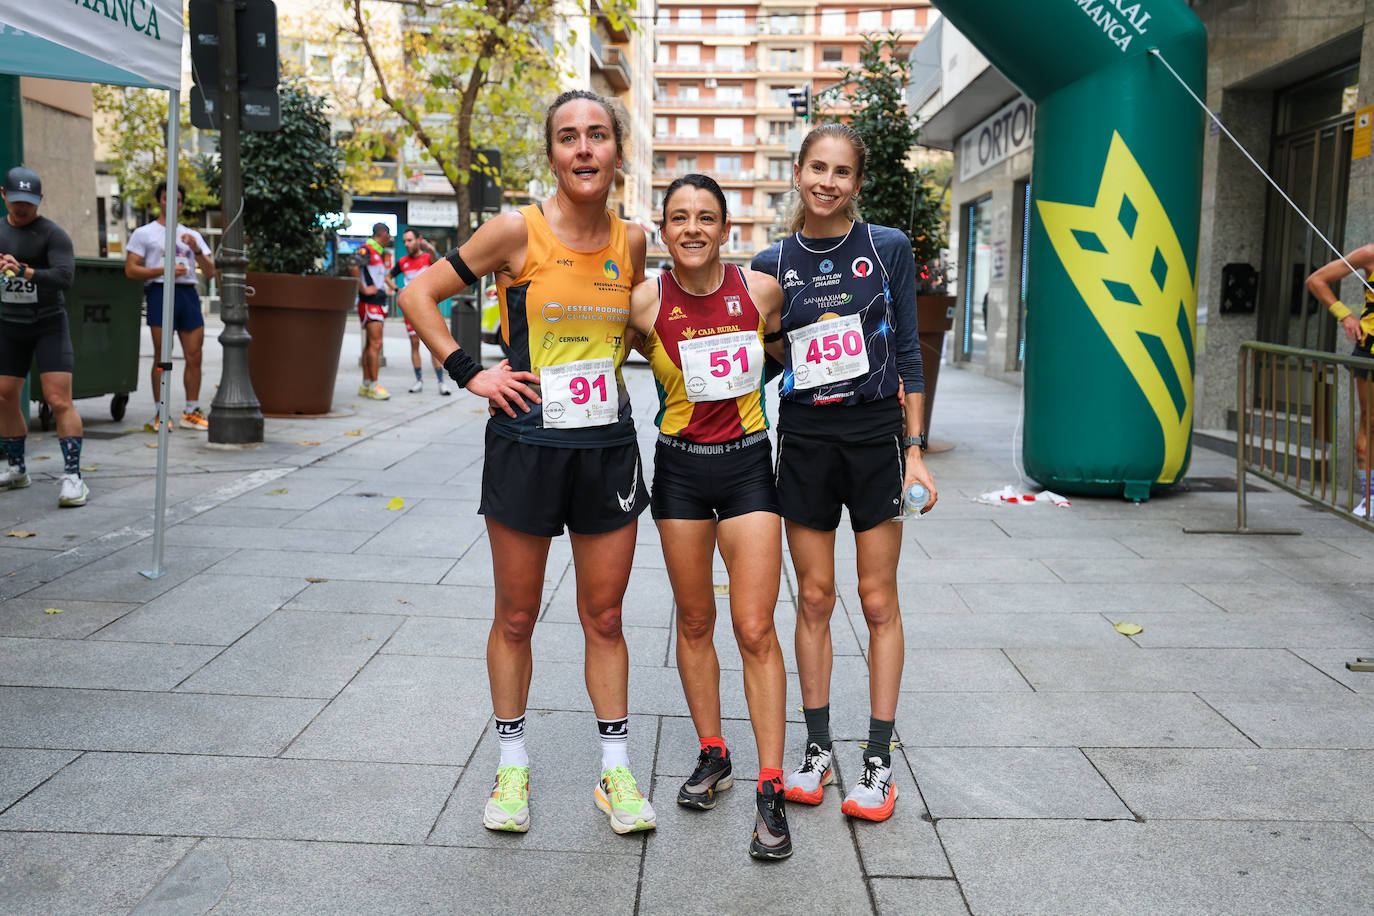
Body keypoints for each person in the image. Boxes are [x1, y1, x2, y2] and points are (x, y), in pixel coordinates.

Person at [400, 89, 654, 837]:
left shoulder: (632, 242)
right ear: (551, 153)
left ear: (616, 152)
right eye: (569, 137)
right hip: (527, 445)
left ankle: (615, 774)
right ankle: (512, 767)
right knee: (516, 615)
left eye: (598, 136)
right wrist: (468, 371)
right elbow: (419, 294)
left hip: (607, 448)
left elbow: (637, 336)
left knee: (604, 616)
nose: (584, 149)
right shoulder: (517, 229)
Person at [751, 123, 938, 823]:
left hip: (872, 438)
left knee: (877, 598)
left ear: (858, 183)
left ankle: (879, 761)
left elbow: (910, 355)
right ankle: (818, 748)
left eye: (842, 172)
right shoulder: (770, 263)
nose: (827, 182)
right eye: (816, 168)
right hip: (803, 437)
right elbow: (771, 359)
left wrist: (913, 448)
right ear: (797, 172)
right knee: (815, 598)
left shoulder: (885, 247)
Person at [627, 173, 791, 859]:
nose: (692, 228)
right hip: (680, 471)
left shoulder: (760, 291)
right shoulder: (642, 302)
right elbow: (631, 358)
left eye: (706, 217)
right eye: (678, 218)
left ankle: (772, 786)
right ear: (663, 231)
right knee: (694, 620)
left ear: (727, 229)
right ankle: (714, 752)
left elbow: (784, 355)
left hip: (751, 465)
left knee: (754, 627)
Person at [0, 166, 86, 506]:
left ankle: (73, 477)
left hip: (48, 323)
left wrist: (24, 270)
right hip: (9, 324)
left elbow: (64, 278)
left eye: (30, 203)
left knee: (58, 399)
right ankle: (18, 468)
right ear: (4, 195)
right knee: (4, 395)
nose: (23, 208)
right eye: (17, 201)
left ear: (40, 201)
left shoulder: (53, 234)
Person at [125, 181, 216, 432]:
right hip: (160, 291)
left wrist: (197, 250)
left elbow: (210, 272)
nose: (172, 203)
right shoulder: (145, 233)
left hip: (187, 293)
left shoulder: (192, 235)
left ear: (182, 203)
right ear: (159, 201)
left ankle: (191, 410)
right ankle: (161, 412)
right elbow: (131, 269)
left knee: (194, 354)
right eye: (166, 198)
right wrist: (163, 271)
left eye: (177, 199)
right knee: (161, 356)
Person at [1306, 247, 1374, 515]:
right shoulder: (1370, 253)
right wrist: (1344, 314)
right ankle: (1370, 498)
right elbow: (1315, 280)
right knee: (1371, 421)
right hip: (1371, 353)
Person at [386, 229, 451, 395]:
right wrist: (397, 290)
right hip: (410, 309)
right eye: (405, 241)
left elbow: (438, 266)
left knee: (433, 346)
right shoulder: (402, 262)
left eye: (410, 240)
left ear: (418, 240)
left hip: (428, 308)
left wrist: (430, 249)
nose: (407, 244)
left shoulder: (428, 257)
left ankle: (441, 383)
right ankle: (418, 381)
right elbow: (388, 277)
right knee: (414, 344)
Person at [353, 222, 393, 400]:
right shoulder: (366, 249)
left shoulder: (377, 252)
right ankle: (374, 384)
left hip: (376, 301)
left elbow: (379, 276)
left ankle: (366, 384)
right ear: (384, 234)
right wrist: (362, 288)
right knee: (376, 344)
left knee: (371, 343)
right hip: (370, 302)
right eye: (389, 236)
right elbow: (352, 265)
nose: (390, 239)